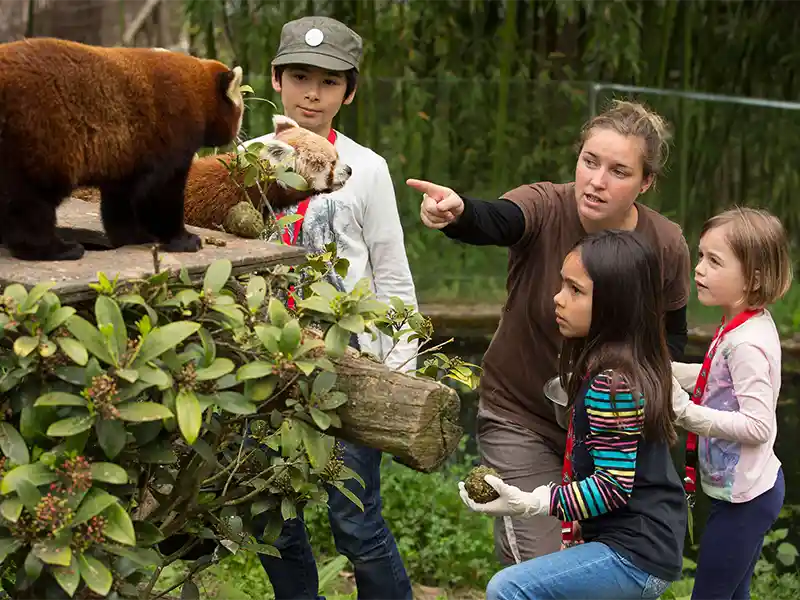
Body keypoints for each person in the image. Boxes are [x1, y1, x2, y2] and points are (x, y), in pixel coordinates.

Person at [407, 100, 692, 562]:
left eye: (619, 171)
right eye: (589, 162)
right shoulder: (545, 204)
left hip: (610, 427)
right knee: (538, 566)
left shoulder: (665, 243)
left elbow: (670, 340)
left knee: (606, 566)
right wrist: (459, 213)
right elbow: (498, 219)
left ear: (646, 182)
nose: (597, 181)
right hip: (522, 415)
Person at [244, 16, 417, 600]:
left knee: (355, 520)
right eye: (299, 77)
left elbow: (391, 272)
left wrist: (401, 370)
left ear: (350, 91)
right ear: (276, 78)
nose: (312, 94)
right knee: (271, 514)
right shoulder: (249, 158)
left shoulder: (366, 169)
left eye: (329, 81)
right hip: (262, 365)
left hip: (349, 366)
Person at [459, 229, 687, 599]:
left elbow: (613, 486)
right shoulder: (619, 363)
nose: (558, 298)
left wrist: (532, 502)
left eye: (575, 290)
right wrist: (583, 521)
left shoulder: (613, 384)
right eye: (562, 284)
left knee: (509, 588)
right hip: (644, 544)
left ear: (614, 304)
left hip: (635, 555)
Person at [670, 207, 792, 600]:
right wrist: (664, 371)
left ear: (753, 278)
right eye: (700, 256)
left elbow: (758, 426)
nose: (698, 269)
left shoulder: (746, 344)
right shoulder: (742, 321)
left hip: (747, 501)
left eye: (714, 261)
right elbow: (718, 379)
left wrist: (684, 412)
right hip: (744, 492)